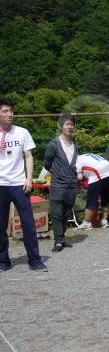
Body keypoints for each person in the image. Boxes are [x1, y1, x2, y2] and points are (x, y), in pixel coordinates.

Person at [0, 97, 48, 272]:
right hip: (1, 184)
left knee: (28, 223)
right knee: (1, 226)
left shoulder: (22, 132)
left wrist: (29, 178)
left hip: (20, 184)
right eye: (5, 111)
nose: (10, 114)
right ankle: (3, 260)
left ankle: (35, 260)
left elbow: (28, 156)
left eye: (11, 111)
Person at [43, 113, 78, 252]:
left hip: (72, 184)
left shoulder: (75, 145)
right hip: (58, 184)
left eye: (71, 124)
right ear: (60, 126)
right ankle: (57, 241)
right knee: (57, 213)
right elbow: (47, 163)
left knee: (66, 213)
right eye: (67, 124)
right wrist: (57, 173)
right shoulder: (54, 144)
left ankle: (61, 238)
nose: (69, 127)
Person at [73, 153, 109, 230]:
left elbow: (79, 177)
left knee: (92, 198)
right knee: (106, 196)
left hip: (98, 172)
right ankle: (104, 220)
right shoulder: (85, 156)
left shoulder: (75, 161)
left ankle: (87, 223)